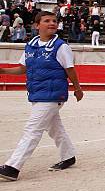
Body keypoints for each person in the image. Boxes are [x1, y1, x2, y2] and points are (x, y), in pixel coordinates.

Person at [0, 12, 84, 181]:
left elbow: (70, 69)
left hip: (53, 94)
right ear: (37, 25)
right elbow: (22, 68)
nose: (52, 23)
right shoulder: (31, 45)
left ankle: (13, 167)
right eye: (47, 21)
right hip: (38, 92)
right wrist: (3, 71)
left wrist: (77, 88)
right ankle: (68, 156)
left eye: (54, 21)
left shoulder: (61, 46)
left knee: (32, 129)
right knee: (54, 128)